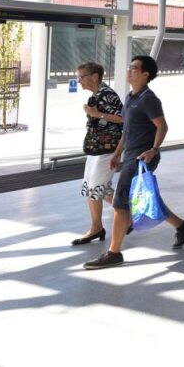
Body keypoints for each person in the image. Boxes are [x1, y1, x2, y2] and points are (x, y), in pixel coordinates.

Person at [84, 55, 184, 269]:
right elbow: (127, 130)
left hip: (142, 158)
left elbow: (162, 127)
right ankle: (182, 225)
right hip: (130, 156)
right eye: (129, 66)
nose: (129, 70)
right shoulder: (131, 97)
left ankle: (114, 252)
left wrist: (153, 150)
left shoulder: (148, 99)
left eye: (133, 68)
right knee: (147, 197)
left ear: (145, 74)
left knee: (120, 203)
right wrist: (117, 154)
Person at [72, 62, 124, 246]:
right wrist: (93, 113)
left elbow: (123, 117)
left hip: (107, 148)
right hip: (97, 147)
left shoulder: (106, 95)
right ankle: (98, 226)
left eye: (81, 77)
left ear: (94, 76)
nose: (79, 81)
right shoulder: (97, 95)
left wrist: (97, 114)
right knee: (92, 187)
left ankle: (124, 217)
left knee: (96, 187)